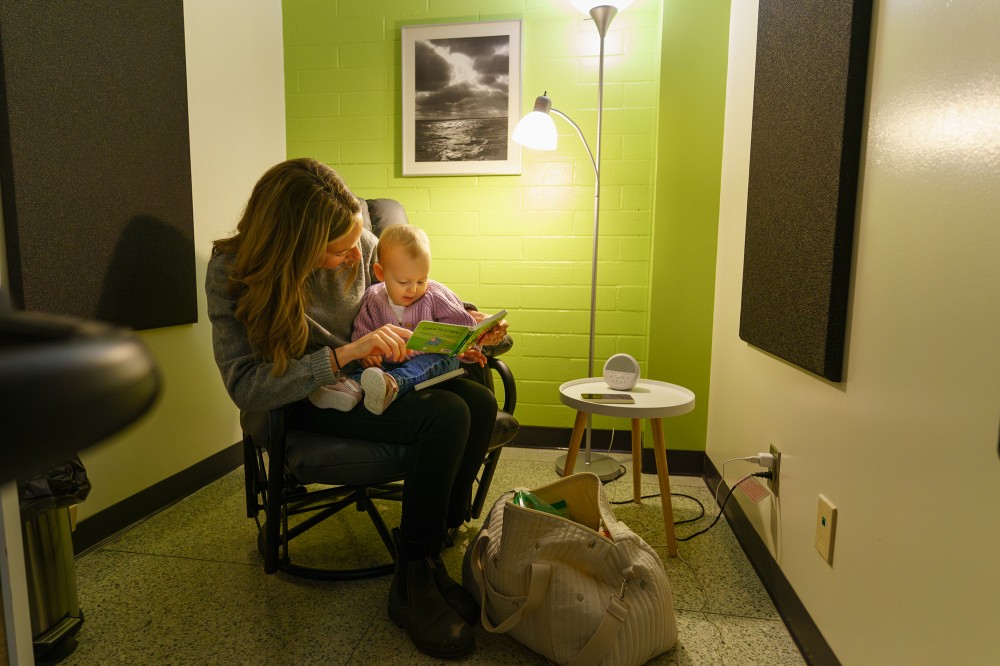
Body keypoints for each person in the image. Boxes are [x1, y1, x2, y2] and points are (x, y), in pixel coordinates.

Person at [205, 158, 508, 658]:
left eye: (359, 242)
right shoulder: (233, 272)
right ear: (295, 244)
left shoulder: (357, 243)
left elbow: (409, 290)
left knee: (475, 398)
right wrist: (344, 353)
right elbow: (246, 385)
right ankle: (409, 587)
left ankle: (430, 553)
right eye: (339, 250)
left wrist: (466, 323)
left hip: (373, 381)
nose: (355, 257)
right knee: (447, 415)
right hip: (308, 394)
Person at [338, 223, 489, 415]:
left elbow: (463, 324)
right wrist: (366, 355)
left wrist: (468, 347)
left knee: (441, 359)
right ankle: (350, 390)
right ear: (380, 273)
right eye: (403, 282)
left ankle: (394, 384)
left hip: (429, 359)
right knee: (369, 372)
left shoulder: (436, 294)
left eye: (421, 280)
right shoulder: (373, 297)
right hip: (386, 361)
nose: (413, 289)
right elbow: (363, 329)